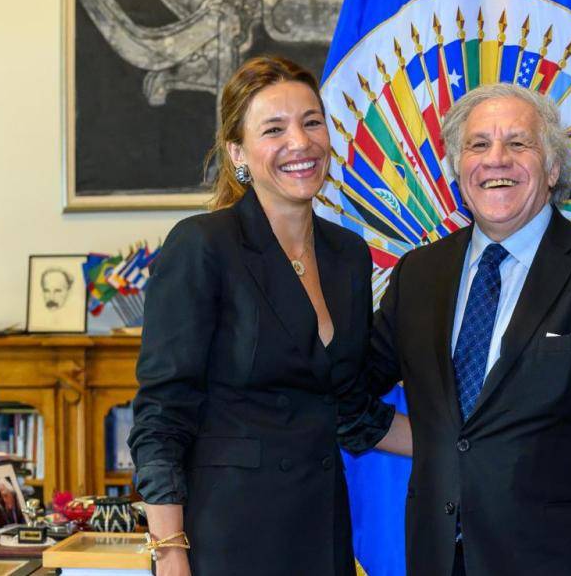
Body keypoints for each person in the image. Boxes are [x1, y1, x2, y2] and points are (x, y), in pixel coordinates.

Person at [363, 83, 571, 575]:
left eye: (518, 143)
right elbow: (349, 387)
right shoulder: (418, 275)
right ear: (457, 168)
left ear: (553, 168)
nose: (497, 159)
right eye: (478, 144)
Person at [128, 56, 410, 576]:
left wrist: (471, 442)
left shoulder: (348, 254)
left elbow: (351, 412)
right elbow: (161, 416)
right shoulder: (202, 246)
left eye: (311, 122)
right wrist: (169, 553)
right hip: (227, 539)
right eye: (274, 129)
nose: (300, 143)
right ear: (238, 152)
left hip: (321, 535)